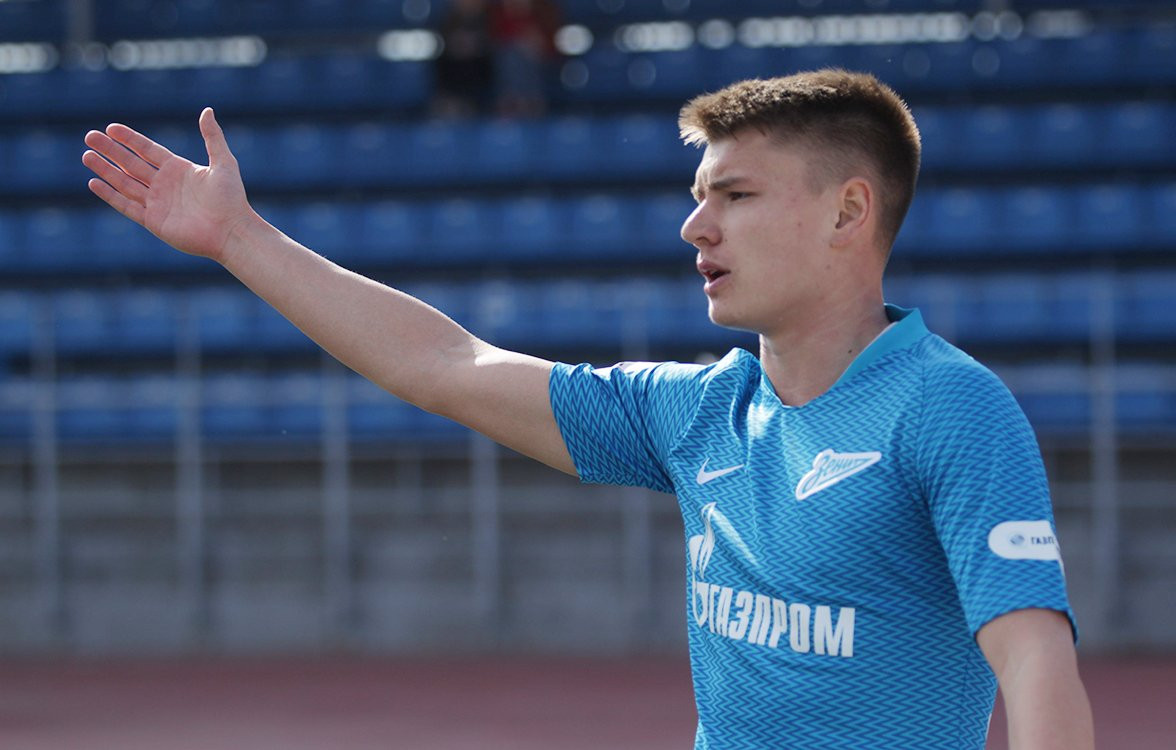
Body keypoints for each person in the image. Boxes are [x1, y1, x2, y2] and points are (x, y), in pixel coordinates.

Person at [80, 69, 1094, 748]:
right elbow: (447, 364)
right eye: (698, 195)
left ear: (848, 210)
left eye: (736, 195)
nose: (695, 226)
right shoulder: (696, 411)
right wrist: (240, 239)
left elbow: (1035, 663)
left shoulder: (950, 408)